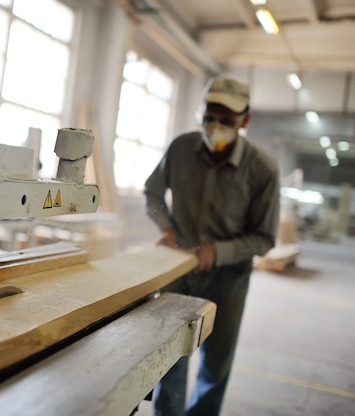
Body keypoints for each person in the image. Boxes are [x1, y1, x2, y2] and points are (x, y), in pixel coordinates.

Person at [143, 76, 280, 416]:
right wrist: (167, 227)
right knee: (170, 357)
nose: (215, 126)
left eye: (226, 121)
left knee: (216, 363)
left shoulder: (262, 168)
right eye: (209, 117)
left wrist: (216, 251)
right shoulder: (180, 149)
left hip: (228, 277)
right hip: (178, 268)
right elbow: (153, 193)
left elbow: (264, 238)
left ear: (245, 121)